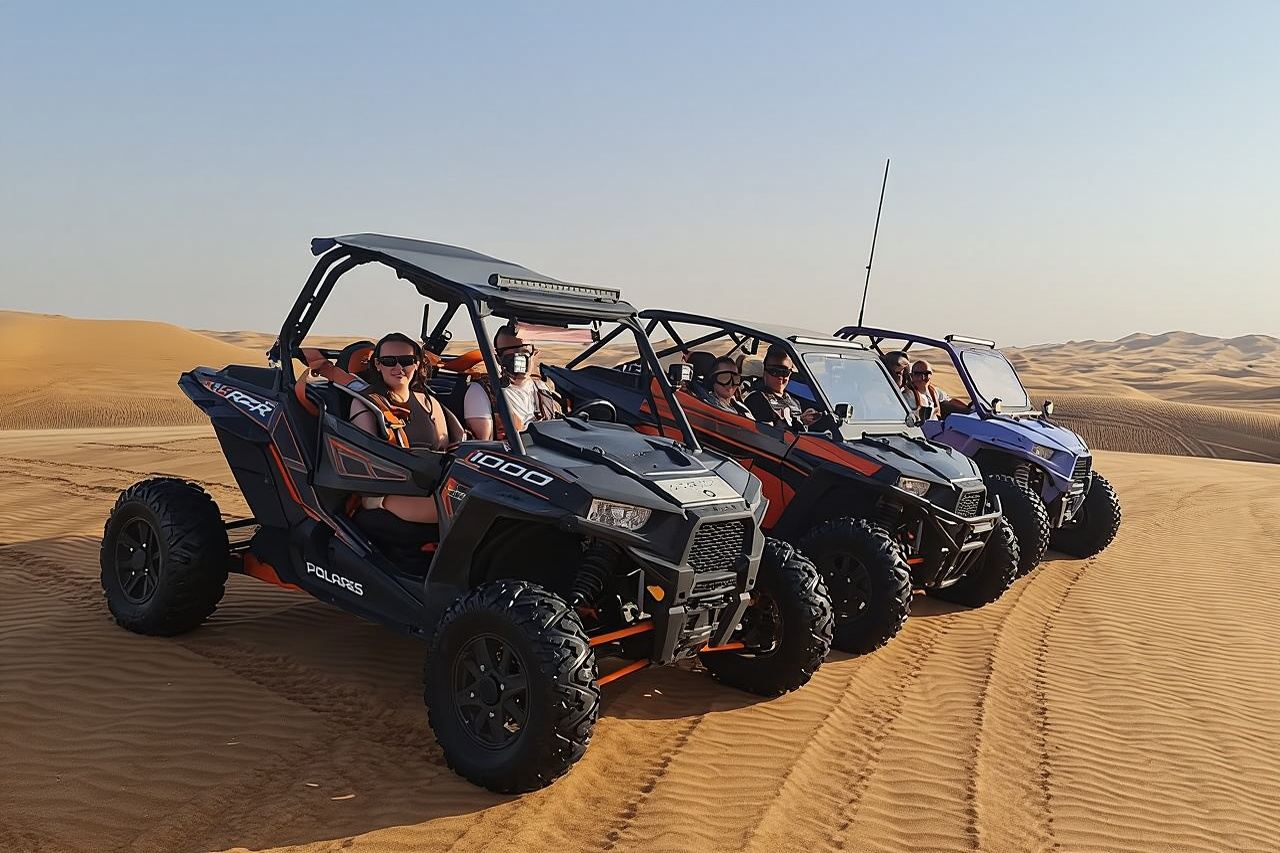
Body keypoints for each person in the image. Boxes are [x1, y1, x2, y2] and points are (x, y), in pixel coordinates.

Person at [349, 332, 464, 529]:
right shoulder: (366, 403)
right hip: (390, 491)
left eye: (406, 360)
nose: (398, 368)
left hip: (431, 483)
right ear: (377, 365)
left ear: (417, 363)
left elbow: (443, 450)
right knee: (455, 513)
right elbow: (368, 457)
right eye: (388, 361)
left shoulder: (429, 402)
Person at [462, 323, 562, 440]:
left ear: (534, 354)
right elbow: (484, 444)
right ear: (498, 358)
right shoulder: (481, 392)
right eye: (510, 353)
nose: (520, 357)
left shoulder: (543, 389)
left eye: (525, 350)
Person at [744, 344, 821, 429]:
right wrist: (801, 421)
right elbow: (771, 433)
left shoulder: (794, 401)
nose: (780, 377)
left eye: (785, 372)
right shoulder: (756, 399)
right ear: (765, 371)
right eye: (774, 371)